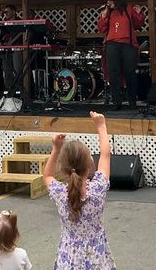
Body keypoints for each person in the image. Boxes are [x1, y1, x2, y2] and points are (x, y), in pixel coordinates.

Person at [44, 112, 115, 270]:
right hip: (97, 257)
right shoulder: (97, 189)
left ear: (64, 168)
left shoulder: (60, 194)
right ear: (90, 162)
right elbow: (105, 154)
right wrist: (101, 126)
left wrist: (56, 149)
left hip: (69, 258)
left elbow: (47, 175)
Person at [97, 0, 145, 110]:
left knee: (130, 73)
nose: (109, 2)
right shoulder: (108, 12)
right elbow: (101, 28)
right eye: (108, 0)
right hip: (112, 45)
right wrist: (103, 15)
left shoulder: (128, 8)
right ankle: (116, 102)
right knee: (114, 74)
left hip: (128, 44)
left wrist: (139, 13)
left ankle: (132, 102)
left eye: (111, 0)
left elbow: (139, 24)